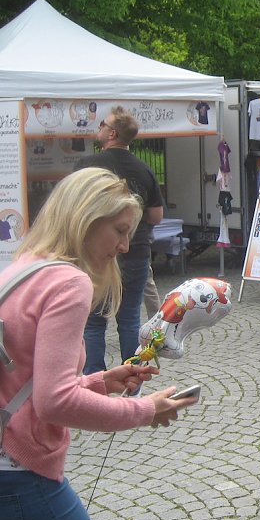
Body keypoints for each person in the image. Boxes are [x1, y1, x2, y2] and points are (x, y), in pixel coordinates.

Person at [0, 168, 194, 520]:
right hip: (20, 479)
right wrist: (146, 409)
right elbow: (53, 402)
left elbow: (26, 380)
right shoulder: (68, 281)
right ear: (87, 219)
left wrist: (101, 381)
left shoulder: (25, 266)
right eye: (120, 231)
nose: (125, 246)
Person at [76, 106, 164, 374]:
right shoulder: (144, 169)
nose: (98, 128)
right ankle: (131, 377)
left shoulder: (86, 167)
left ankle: (94, 381)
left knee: (93, 321)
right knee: (128, 318)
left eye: (102, 124)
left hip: (96, 255)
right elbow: (156, 216)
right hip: (135, 252)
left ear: (112, 133)